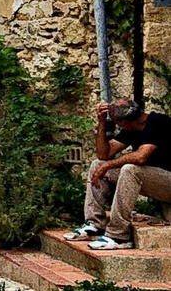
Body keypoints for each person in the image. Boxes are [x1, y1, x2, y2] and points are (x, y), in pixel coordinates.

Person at [68, 98, 171, 250]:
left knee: (130, 169)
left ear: (123, 122)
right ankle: (95, 225)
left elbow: (141, 156)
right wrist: (102, 123)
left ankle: (118, 235)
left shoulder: (159, 122)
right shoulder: (132, 128)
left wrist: (110, 164)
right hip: (156, 180)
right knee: (98, 165)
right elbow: (104, 154)